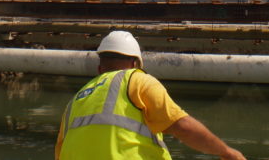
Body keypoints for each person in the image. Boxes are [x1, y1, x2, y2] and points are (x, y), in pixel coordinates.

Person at [55, 31, 246, 160]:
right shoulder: (137, 81)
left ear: (99, 68)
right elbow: (183, 127)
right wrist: (227, 152)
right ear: (135, 64)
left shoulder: (75, 101)